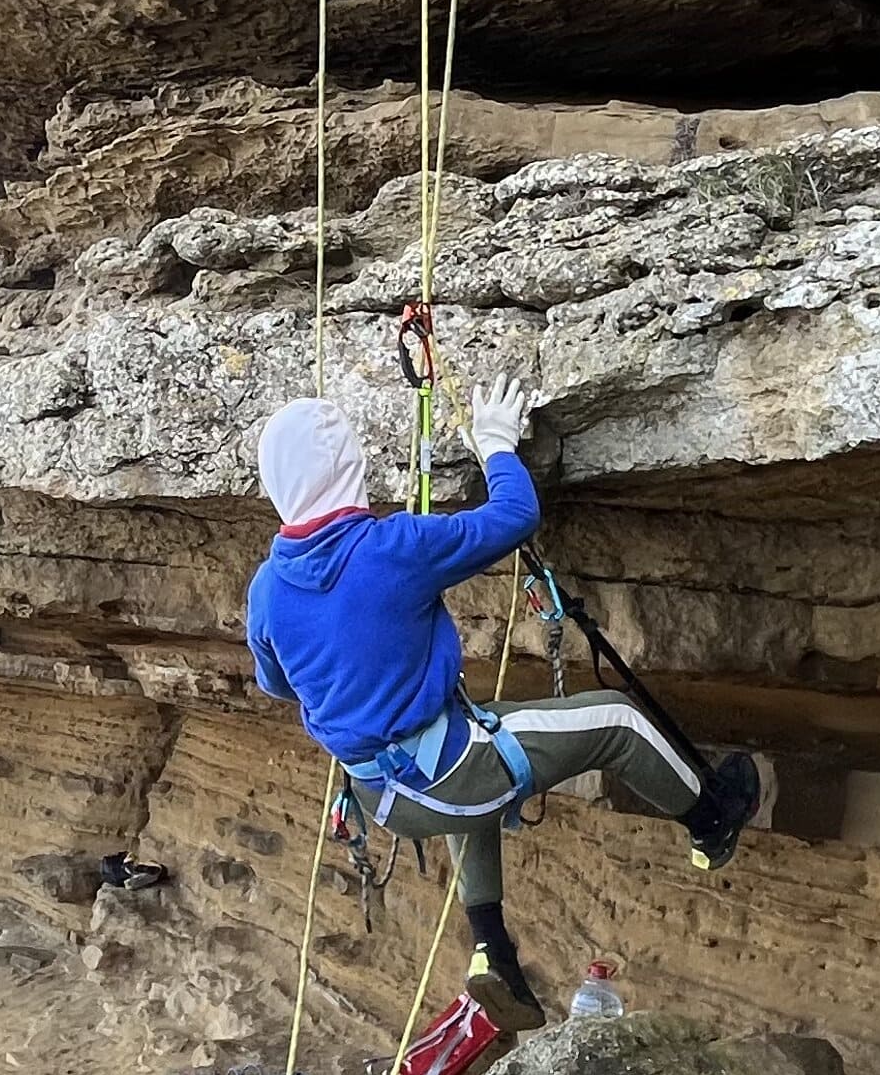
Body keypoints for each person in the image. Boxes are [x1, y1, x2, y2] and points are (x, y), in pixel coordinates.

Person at [245, 379, 762, 1030]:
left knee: (466, 787)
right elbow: (514, 518)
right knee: (615, 720)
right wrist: (495, 445)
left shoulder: (267, 589)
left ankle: (493, 953)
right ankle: (712, 821)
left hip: (385, 799)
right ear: (346, 466)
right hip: (450, 773)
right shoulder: (391, 548)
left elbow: (278, 684)